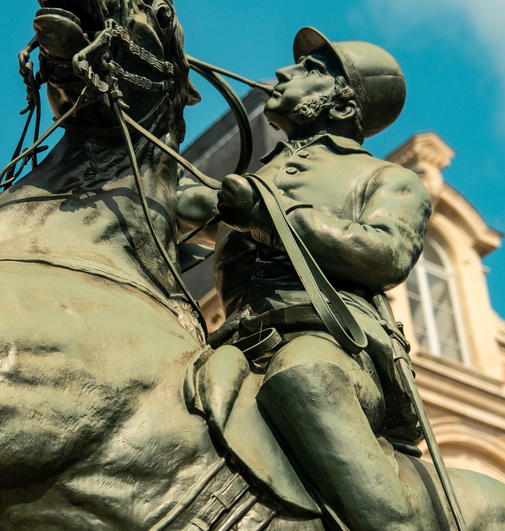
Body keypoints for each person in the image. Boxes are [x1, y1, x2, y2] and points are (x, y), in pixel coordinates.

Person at [177, 27, 432, 531]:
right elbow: (182, 205)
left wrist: (266, 215)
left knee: (303, 375)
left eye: (313, 70)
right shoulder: (264, 176)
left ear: (340, 106)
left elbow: (385, 254)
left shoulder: (387, 180)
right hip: (237, 342)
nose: (284, 71)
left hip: (336, 348)